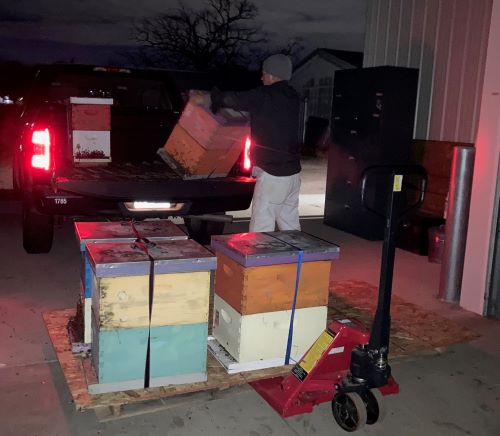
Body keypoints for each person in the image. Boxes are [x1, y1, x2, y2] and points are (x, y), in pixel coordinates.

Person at [210, 54, 301, 232]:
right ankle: (299, 259)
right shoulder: (293, 96)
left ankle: (260, 259)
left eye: (264, 73)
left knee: (262, 225)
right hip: (292, 175)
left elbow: (235, 99)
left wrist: (212, 97)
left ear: (273, 75)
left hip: (273, 173)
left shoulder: (266, 95)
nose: (261, 77)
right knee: (290, 223)